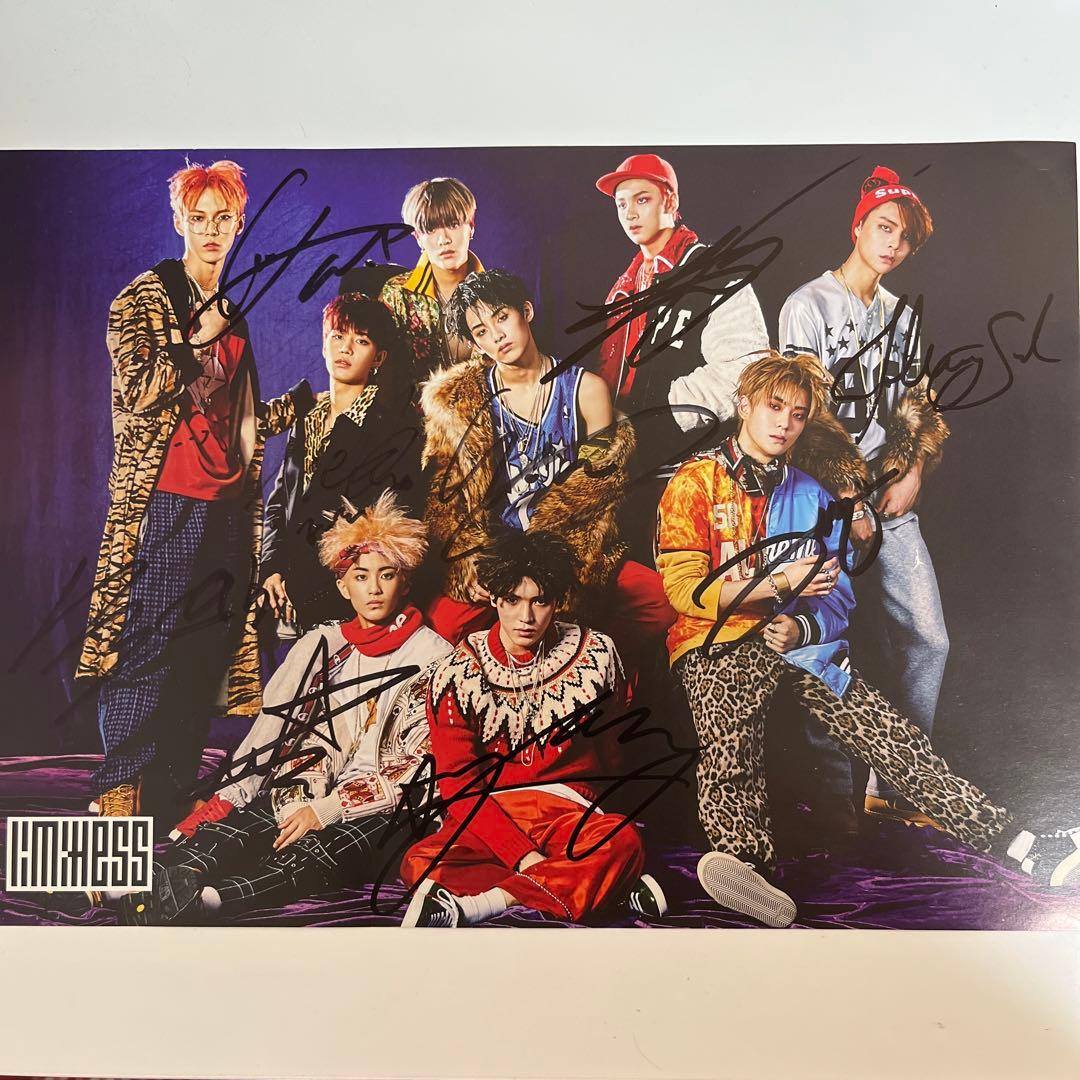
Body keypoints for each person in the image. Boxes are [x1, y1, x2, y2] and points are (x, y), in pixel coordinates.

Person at [656, 351, 1080, 927]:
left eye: (798, 414)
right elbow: (685, 592)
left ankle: (1021, 843)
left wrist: (804, 625)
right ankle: (746, 866)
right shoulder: (693, 483)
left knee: (890, 734)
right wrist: (778, 584)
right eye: (774, 407)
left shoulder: (813, 495)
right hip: (715, 641)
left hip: (797, 644)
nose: (784, 423)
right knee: (730, 732)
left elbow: (838, 602)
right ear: (744, 404)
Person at [75, 159, 313, 825]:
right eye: (198, 217)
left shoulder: (232, 313)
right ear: (178, 221)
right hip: (168, 500)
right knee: (148, 645)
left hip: (229, 505)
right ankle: (118, 791)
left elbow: (235, 421)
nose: (211, 230)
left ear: (239, 224)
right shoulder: (142, 299)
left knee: (201, 654)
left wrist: (297, 409)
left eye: (223, 218)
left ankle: (171, 789)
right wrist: (190, 342)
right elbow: (138, 393)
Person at [116, 492, 452, 924]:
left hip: (387, 806)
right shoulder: (323, 644)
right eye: (361, 576)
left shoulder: (434, 656)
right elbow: (284, 732)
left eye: (386, 575)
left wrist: (325, 810)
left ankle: (208, 902)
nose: (373, 588)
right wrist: (279, 796)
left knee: (317, 850)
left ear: (404, 582)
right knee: (248, 823)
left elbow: (420, 767)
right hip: (317, 782)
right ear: (342, 585)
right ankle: (154, 885)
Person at [779, 165, 949, 828]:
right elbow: (799, 414)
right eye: (883, 228)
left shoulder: (902, 315)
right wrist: (847, 498)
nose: (893, 244)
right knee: (825, 639)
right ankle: (831, 800)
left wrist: (913, 472)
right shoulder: (807, 305)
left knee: (928, 637)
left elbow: (918, 404)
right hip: (822, 497)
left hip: (887, 492)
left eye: (905, 237)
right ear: (858, 227)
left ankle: (895, 784)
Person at [593, 152, 864, 566]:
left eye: (642, 199)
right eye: (621, 203)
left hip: (692, 468)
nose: (630, 213)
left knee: (686, 584)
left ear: (670, 201)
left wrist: (659, 415)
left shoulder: (714, 271)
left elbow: (743, 368)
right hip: (630, 468)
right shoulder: (626, 286)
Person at [398, 530, 667, 928]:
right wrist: (523, 854)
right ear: (494, 598)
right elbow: (458, 784)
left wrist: (581, 813)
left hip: (567, 811)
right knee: (420, 862)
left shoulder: (597, 653)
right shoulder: (456, 672)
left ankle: (479, 906)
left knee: (622, 838)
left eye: (539, 601)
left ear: (557, 601)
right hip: (492, 811)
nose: (525, 617)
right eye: (512, 600)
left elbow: (610, 754)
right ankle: (597, 883)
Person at [420, 269, 674, 672]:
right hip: (497, 555)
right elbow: (448, 502)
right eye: (481, 332)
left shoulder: (585, 389)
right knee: (443, 622)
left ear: (526, 311)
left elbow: (599, 494)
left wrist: (572, 564)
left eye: (501, 318)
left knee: (658, 603)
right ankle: (512, 672)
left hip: (567, 551)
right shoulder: (463, 402)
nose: (496, 336)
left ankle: (576, 665)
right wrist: (465, 565)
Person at [260, 293, 425, 635]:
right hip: (285, 593)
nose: (346, 349)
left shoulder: (394, 427)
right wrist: (272, 569)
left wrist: (300, 584)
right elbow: (279, 504)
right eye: (338, 336)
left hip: (345, 594)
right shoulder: (307, 419)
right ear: (324, 344)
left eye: (361, 341)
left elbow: (374, 521)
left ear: (378, 358)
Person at [379, 177, 485, 385]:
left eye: (453, 225)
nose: (444, 239)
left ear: (471, 226)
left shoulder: (498, 294)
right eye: (430, 229)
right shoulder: (396, 295)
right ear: (418, 237)